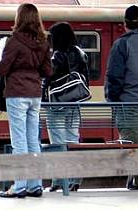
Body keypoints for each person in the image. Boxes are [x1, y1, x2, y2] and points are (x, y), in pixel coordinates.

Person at [0, 3, 52, 198]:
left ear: (19, 18)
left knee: (19, 141)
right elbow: (48, 71)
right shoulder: (43, 42)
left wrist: (2, 61)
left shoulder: (14, 41)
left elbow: (2, 69)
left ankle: (19, 186)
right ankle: (35, 185)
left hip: (17, 93)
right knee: (33, 140)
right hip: (35, 94)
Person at [42, 22, 88, 192]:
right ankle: (74, 179)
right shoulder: (81, 53)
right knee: (72, 140)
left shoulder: (57, 56)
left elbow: (47, 78)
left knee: (58, 143)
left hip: (57, 105)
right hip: (74, 103)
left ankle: (58, 181)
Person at [105, 4, 138, 190]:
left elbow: (114, 77)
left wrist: (113, 101)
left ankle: (136, 180)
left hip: (130, 106)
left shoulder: (122, 44)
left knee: (132, 145)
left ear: (125, 24)